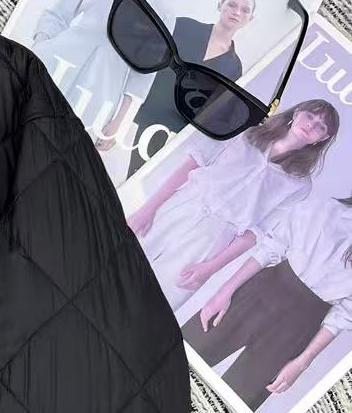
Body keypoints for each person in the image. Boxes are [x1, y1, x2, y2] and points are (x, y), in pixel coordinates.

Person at [127, 99, 340, 307]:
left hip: (212, 239)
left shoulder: (300, 184)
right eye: (309, 116)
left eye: (321, 126)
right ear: (297, 113)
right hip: (182, 207)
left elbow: (256, 232)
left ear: (323, 138)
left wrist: (211, 267)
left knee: (156, 301)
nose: (311, 125)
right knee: (122, 262)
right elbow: (192, 164)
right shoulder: (246, 133)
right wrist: (148, 208)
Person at [184, 181, 351, 411]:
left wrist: (303, 362)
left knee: (233, 406)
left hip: (297, 328)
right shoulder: (325, 208)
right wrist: (224, 291)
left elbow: (343, 317)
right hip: (258, 294)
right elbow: (272, 248)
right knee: (177, 356)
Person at [30, 0, 176, 149]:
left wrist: (119, 124)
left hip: (98, 94)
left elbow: (143, 75)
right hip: (54, 66)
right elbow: (56, 15)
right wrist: (38, 50)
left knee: (58, 149)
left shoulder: (163, 14)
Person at [125, 0, 257, 179]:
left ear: (250, 19)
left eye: (245, 10)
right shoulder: (184, 27)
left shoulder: (234, 67)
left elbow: (208, 109)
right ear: (220, 5)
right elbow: (146, 59)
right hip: (135, 110)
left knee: (134, 178)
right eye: (232, 5)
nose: (237, 12)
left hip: (168, 130)